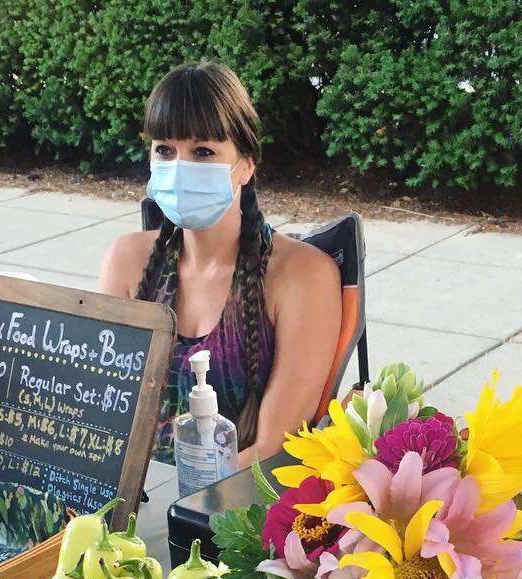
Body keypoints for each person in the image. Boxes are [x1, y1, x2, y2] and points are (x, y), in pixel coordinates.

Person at [98, 63, 342, 466]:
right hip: (129, 499)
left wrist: (184, 507)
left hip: (233, 512)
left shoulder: (302, 276)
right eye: (165, 150)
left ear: (246, 164)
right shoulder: (126, 261)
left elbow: (272, 449)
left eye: (203, 151)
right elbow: (102, 412)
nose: (180, 167)